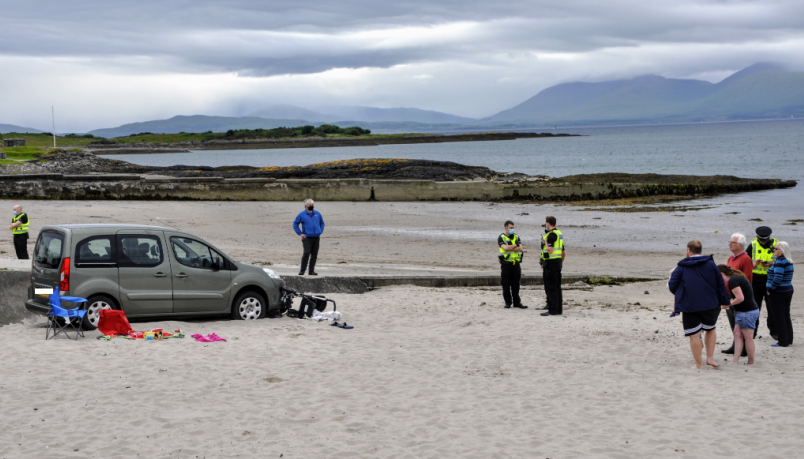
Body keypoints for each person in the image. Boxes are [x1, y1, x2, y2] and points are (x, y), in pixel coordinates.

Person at [668, 241, 729, 369]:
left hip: (690, 304)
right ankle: (710, 358)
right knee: (711, 329)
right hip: (711, 303)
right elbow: (720, 284)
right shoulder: (711, 264)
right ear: (700, 251)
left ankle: (699, 364)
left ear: (688, 250)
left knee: (694, 334)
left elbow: (672, 285)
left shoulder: (682, 266)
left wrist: (681, 293)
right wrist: (724, 301)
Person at [718, 265, 759, 365]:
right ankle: (735, 360)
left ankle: (750, 361)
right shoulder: (736, 278)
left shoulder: (733, 280)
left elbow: (740, 298)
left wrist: (727, 304)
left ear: (722, 274)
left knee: (748, 337)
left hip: (747, 312)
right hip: (745, 311)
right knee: (737, 334)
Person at [723, 233, 754, 355]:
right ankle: (735, 345)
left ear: (740, 245)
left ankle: (744, 348)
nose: (729, 244)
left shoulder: (746, 259)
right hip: (729, 294)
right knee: (733, 321)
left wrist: (743, 297)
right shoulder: (731, 258)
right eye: (730, 242)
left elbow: (748, 279)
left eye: (733, 242)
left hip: (739, 296)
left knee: (740, 322)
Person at [750, 226, 778, 339]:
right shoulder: (752, 244)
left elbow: (784, 261)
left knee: (772, 307)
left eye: (765, 240)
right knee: (754, 308)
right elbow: (745, 262)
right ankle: (753, 331)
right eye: (762, 240)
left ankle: (774, 331)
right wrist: (755, 264)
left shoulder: (777, 244)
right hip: (755, 282)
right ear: (757, 237)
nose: (763, 242)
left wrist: (771, 264)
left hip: (770, 281)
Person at [767, 241, 794, 348]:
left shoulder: (780, 262)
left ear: (782, 251)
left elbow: (777, 278)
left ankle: (783, 341)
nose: (774, 250)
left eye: (776, 249)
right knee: (786, 315)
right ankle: (788, 338)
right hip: (788, 289)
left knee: (779, 317)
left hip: (778, 292)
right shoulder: (788, 260)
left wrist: (770, 289)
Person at [498, 220, 527, 309]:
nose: (512, 229)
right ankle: (508, 302)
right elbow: (505, 248)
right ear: (506, 228)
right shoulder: (501, 237)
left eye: (513, 228)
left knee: (516, 284)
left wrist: (512, 248)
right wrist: (515, 246)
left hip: (516, 264)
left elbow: (521, 248)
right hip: (506, 264)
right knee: (506, 284)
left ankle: (517, 302)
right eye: (511, 228)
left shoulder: (517, 236)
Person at [292, 199, 325, 276]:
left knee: (314, 254)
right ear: (306, 206)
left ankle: (311, 271)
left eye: (312, 205)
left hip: (316, 237)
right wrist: (300, 233)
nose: (311, 207)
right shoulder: (301, 214)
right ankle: (302, 270)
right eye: (310, 205)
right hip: (307, 238)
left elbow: (322, 223)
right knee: (306, 253)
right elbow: (295, 224)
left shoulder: (317, 213)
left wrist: (320, 230)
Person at [540, 216, 565, 317]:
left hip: (551, 263)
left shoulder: (551, 235)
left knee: (551, 287)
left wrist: (545, 242)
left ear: (548, 223)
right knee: (557, 286)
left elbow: (550, 250)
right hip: (557, 262)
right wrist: (560, 263)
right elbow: (563, 252)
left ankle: (552, 310)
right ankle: (558, 309)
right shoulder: (559, 234)